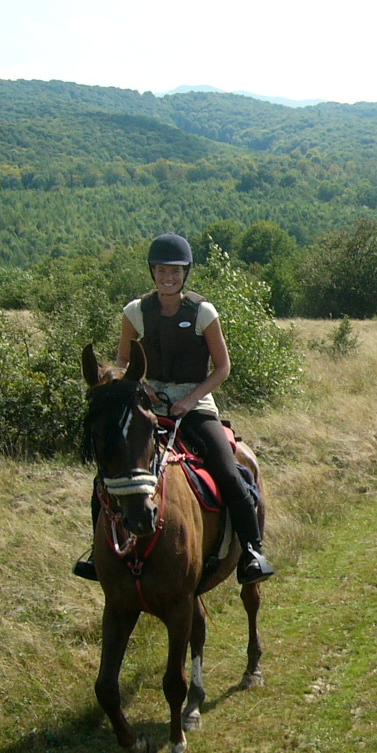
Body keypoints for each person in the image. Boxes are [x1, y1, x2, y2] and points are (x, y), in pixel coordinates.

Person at [75, 232, 274, 585]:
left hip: (195, 404)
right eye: (162, 270)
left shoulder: (202, 312)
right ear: (152, 272)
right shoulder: (134, 312)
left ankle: (252, 551)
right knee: (107, 477)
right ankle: (97, 554)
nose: (169, 277)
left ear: (186, 274)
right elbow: (123, 358)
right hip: (148, 402)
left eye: (176, 271)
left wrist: (189, 400)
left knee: (228, 472)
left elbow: (223, 367)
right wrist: (135, 385)